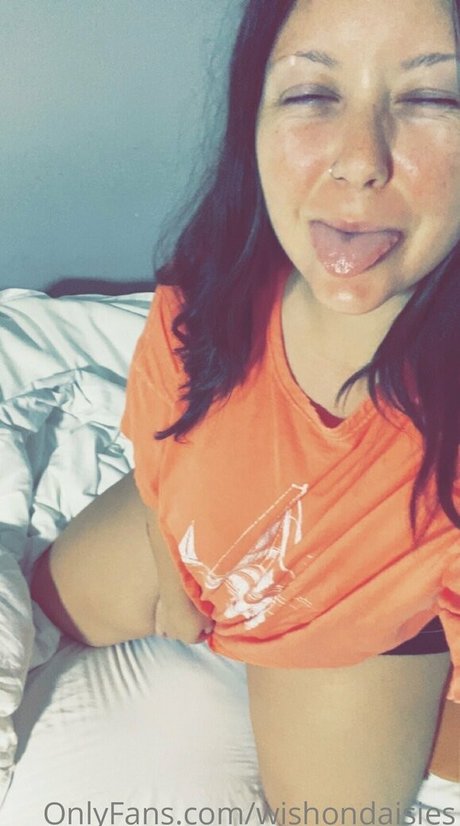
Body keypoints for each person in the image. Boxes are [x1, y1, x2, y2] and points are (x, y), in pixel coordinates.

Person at [31, 0, 460, 819]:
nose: (358, 161)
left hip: (352, 642)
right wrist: (176, 583)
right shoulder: (207, 299)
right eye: (313, 95)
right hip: (193, 548)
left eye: (431, 98)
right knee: (37, 606)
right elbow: (161, 452)